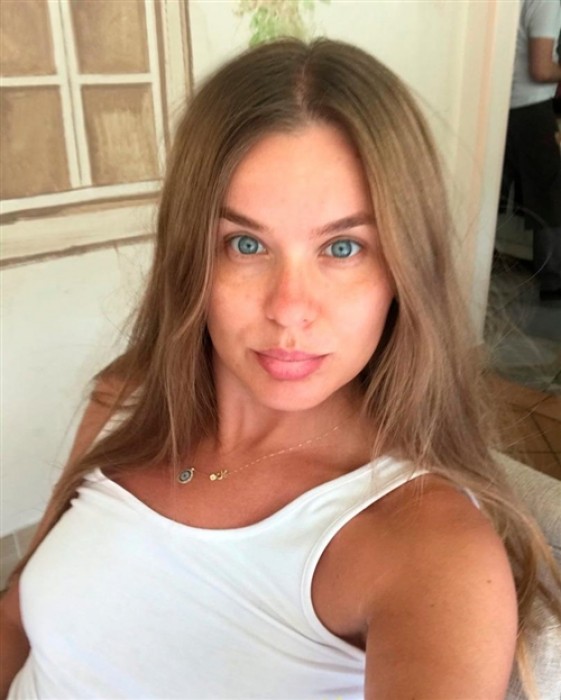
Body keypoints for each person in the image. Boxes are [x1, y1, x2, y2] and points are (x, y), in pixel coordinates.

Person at [1, 38, 560, 700]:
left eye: (343, 248)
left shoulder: (426, 546)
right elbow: (15, 619)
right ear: (190, 258)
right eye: (245, 244)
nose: (289, 309)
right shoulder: (128, 396)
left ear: (405, 270)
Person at [500, 0, 561, 301]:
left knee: (491, 193)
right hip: (531, 109)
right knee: (548, 197)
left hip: (502, 103)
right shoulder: (548, 2)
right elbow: (541, 68)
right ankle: (553, 281)